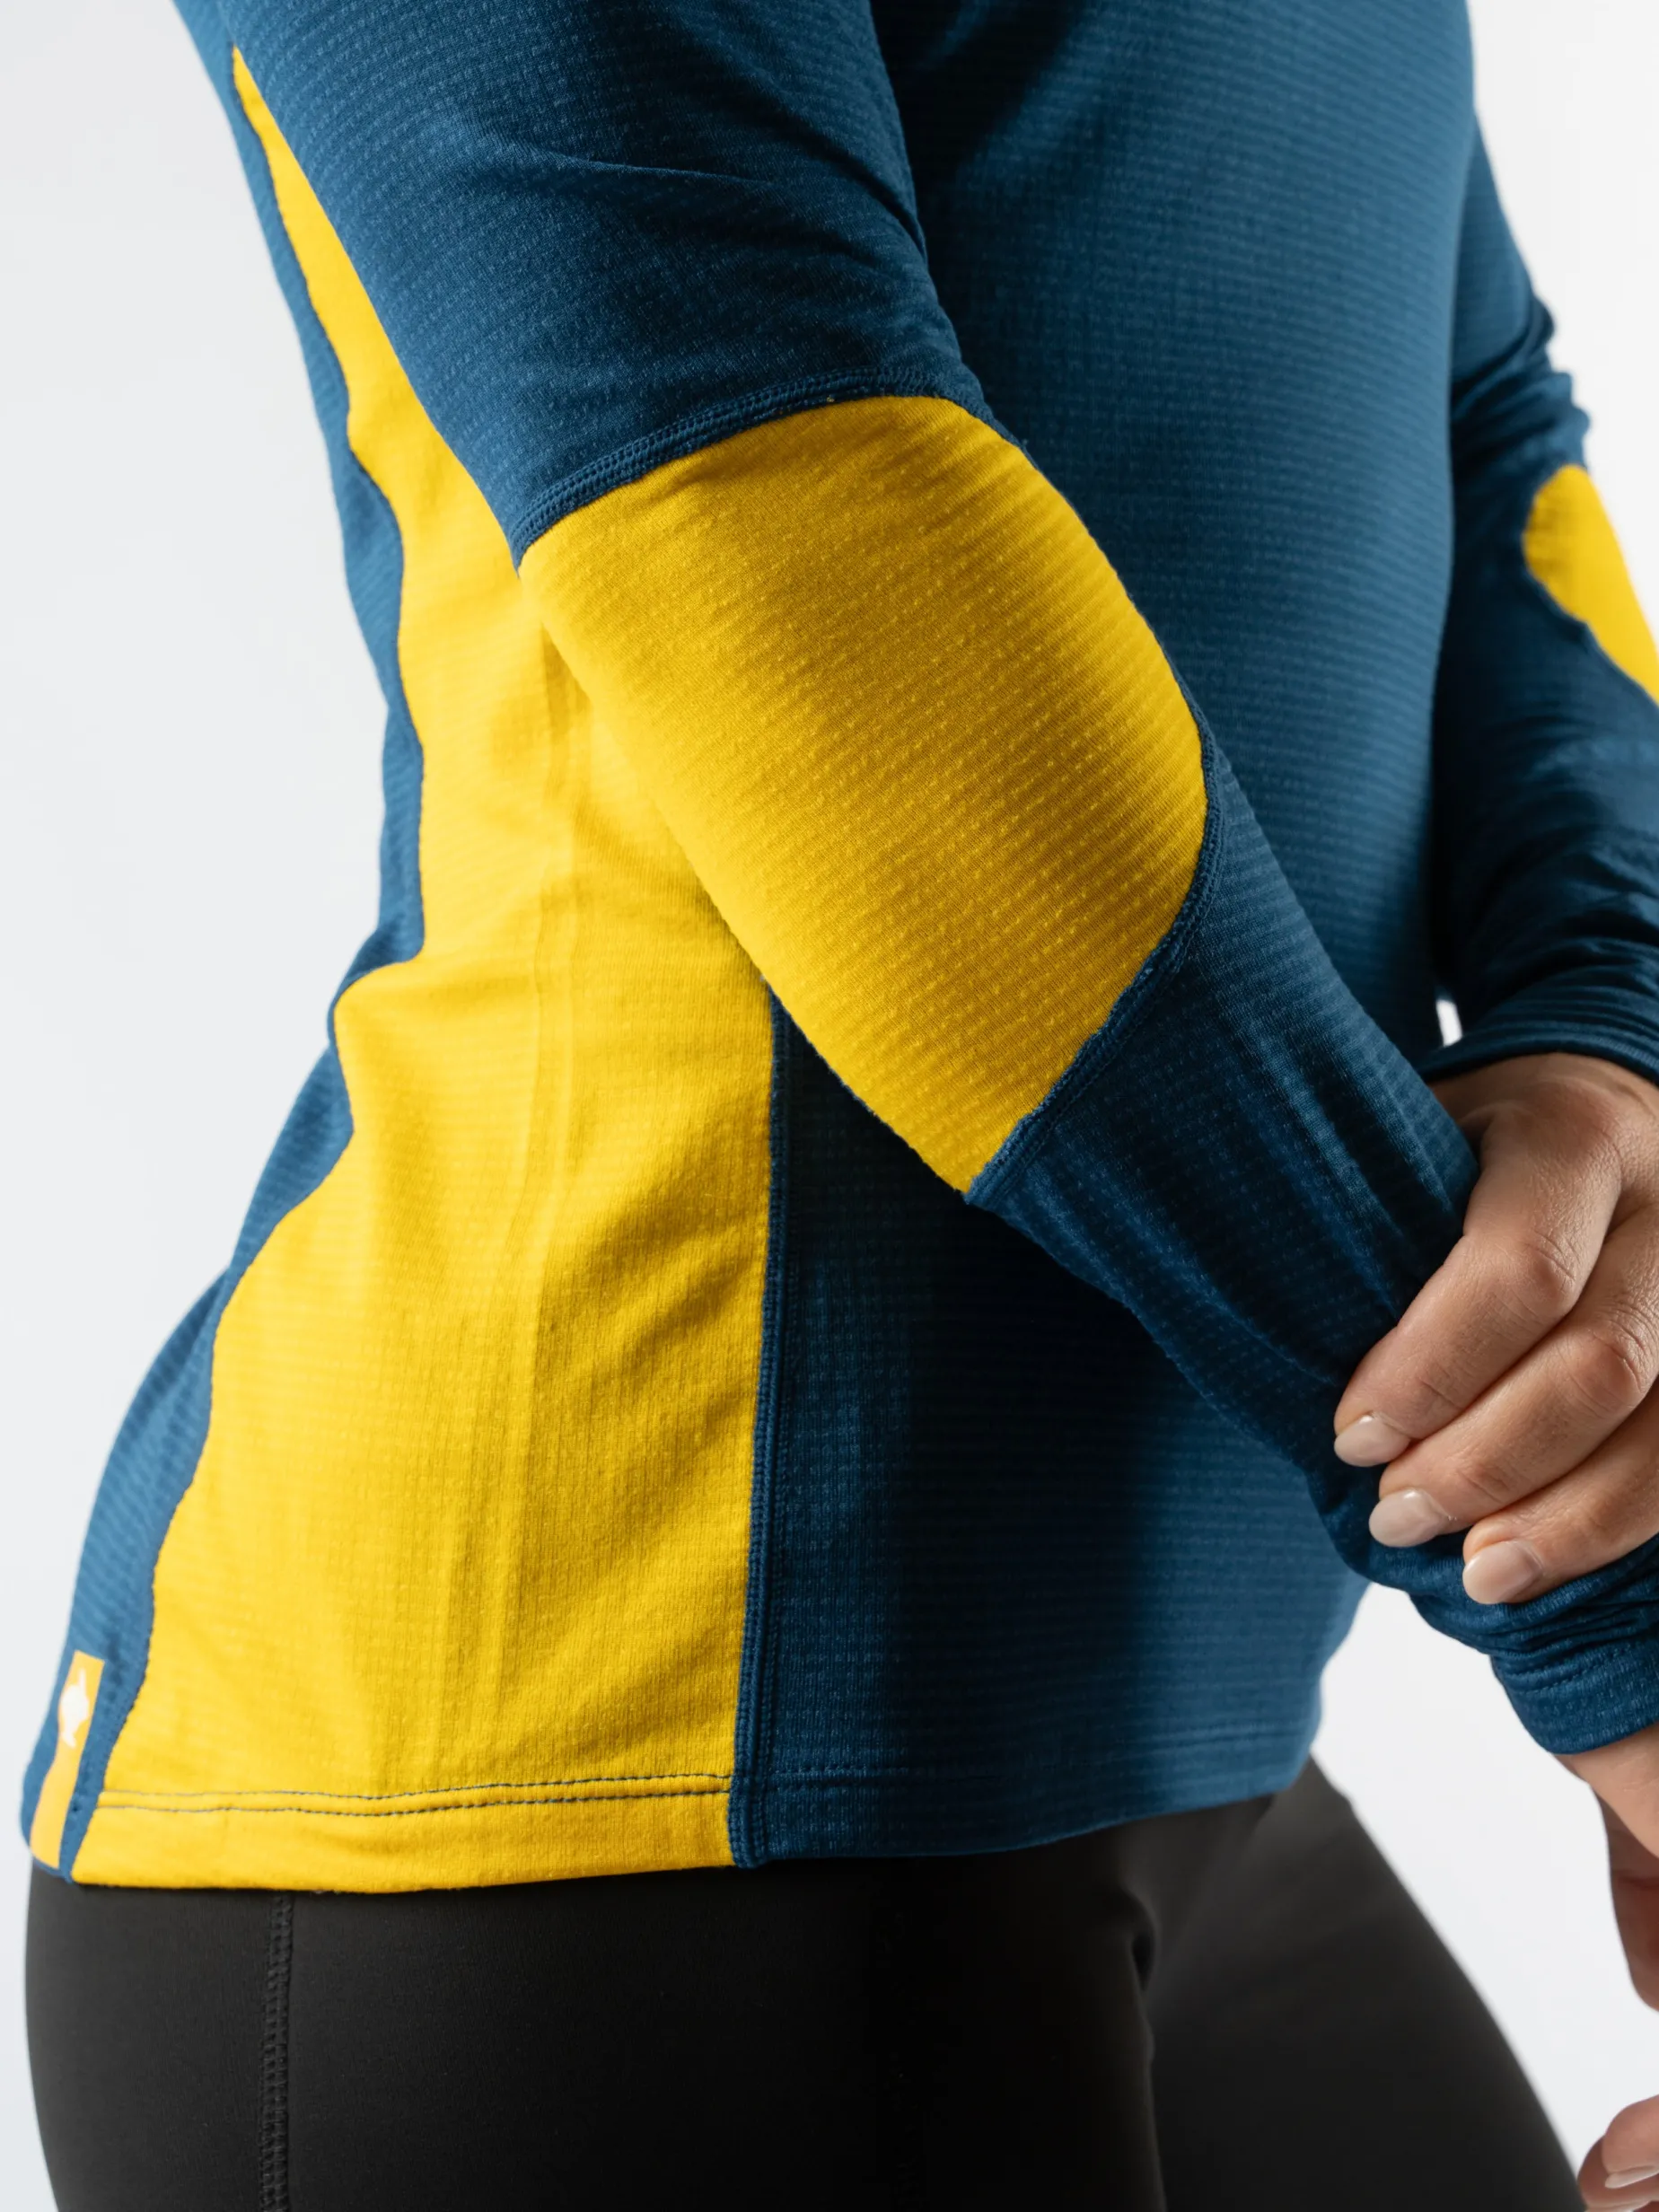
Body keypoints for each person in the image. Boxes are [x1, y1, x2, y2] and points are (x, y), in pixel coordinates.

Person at [22, 0, 1659, 2203]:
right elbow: (781, 505)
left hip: (1192, 1724)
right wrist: (1587, 1546)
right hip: (598, 1767)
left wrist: (1603, 1045)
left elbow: (1478, 413)